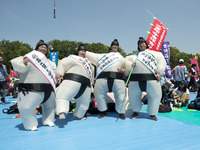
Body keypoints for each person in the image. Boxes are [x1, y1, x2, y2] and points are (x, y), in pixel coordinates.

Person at [11, 40, 57, 131]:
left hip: (48, 90)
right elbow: (18, 66)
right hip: (31, 89)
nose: (43, 49)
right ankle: (30, 124)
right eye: (41, 47)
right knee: (27, 107)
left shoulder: (50, 63)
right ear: (37, 48)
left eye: (45, 47)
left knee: (50, 107)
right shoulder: (29, 58)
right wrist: (24, 61)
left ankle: (48, 120)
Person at [125, 37, 166, 121]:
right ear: (137, 46)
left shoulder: (156, 54)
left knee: (155, 96)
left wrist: (159, 72)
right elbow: (125, 64)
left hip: (151, 79)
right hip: (135, 80)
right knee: (133, 96)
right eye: (139, 43)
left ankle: (153, 113)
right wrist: (130, 65)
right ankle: (135, 112)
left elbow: (161, 62)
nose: (141, 44)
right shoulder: (133, 57)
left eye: (143, 43)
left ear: (146, 44)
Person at [85, 39, 126, 120]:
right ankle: (103, 111)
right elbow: (91, 55)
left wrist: (124, 70)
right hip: (102, 78)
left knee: (121, 96)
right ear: (111, 47)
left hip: (117, 78)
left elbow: (127, 68)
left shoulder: (122, 58)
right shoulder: (102, 56)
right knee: (99, 95)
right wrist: (83, 51)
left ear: (118, 47)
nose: (114, 46)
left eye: (116, 45)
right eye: (113, 45)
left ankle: (121, 112)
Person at [56, 44, 94, 120]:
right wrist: (60, 75)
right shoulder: (73, 58)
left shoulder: (90, 64)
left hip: (86, 84)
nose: (83, 53)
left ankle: (79, 115)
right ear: (78, 52)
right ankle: (62, 112)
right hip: (73, 80)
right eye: (81, 51)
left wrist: (92, 83)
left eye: (84, 51)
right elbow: (63, 63)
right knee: (64, 96)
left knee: (84, 103)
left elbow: (92, 75)